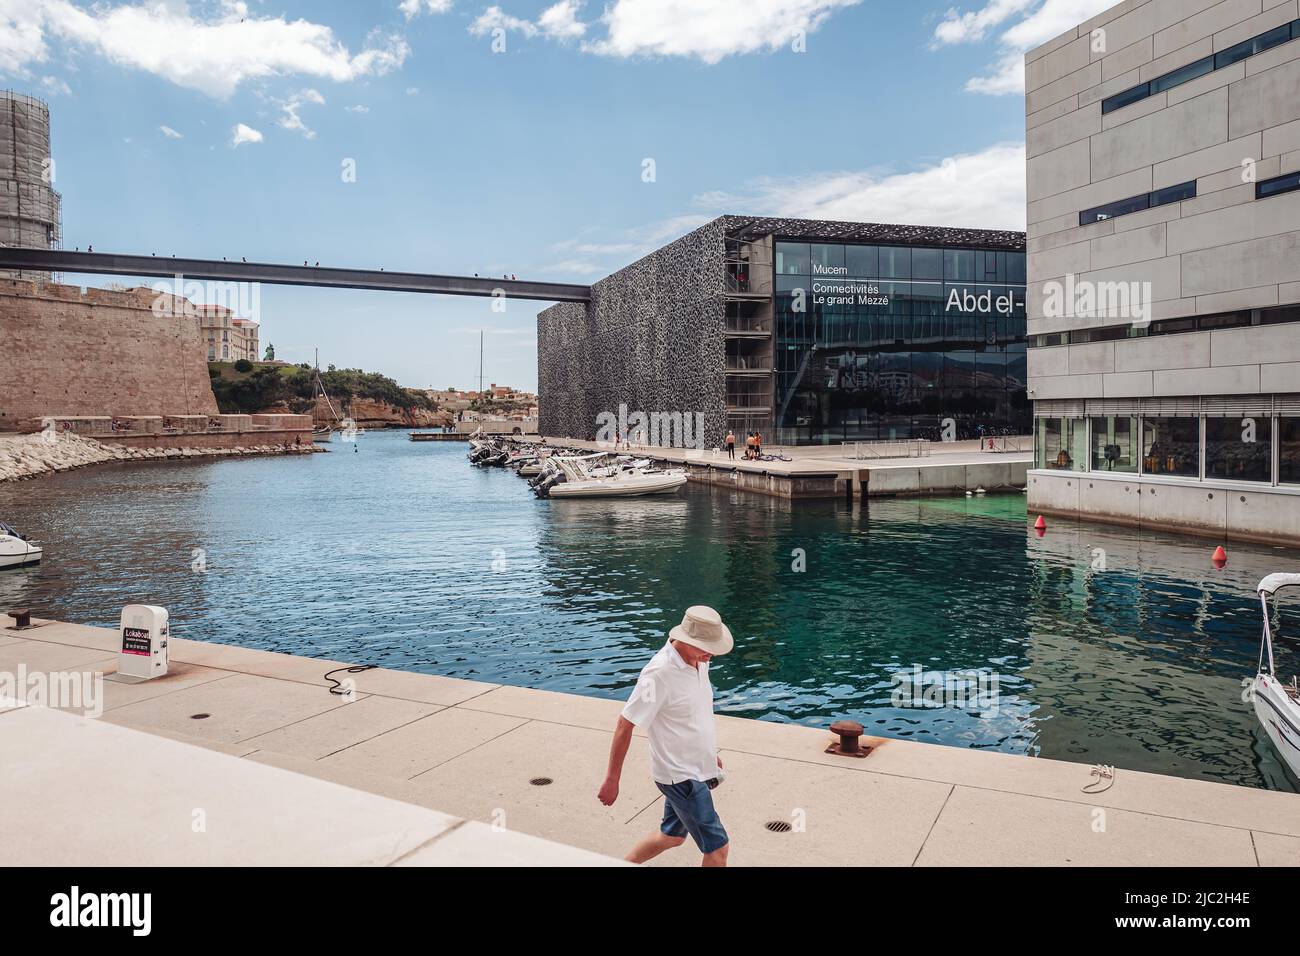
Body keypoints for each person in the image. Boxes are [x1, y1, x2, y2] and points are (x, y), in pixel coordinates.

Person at [598, 606, 734, 867]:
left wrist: (709, 755)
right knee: (718, 848)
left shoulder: (698, 660)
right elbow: (625, 724)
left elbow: (694, 715)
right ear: (684, 639)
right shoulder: (658, 674)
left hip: (696, 768)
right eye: (704, 648)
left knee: (671, 836)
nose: (709, 656)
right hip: (681, 777)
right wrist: (612, 779)